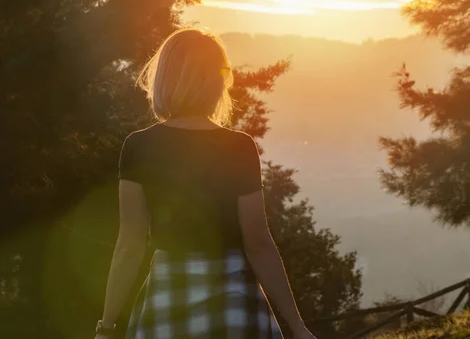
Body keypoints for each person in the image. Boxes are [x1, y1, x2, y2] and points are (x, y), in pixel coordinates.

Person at [95, 28, 316, 339]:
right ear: (215, 82)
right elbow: (258, 242)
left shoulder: (138, 147)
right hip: (234, 301)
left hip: (168, 298)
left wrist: (106, 327)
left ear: (164, 79)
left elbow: (130, 244)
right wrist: (298, 327)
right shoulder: (239, 147)